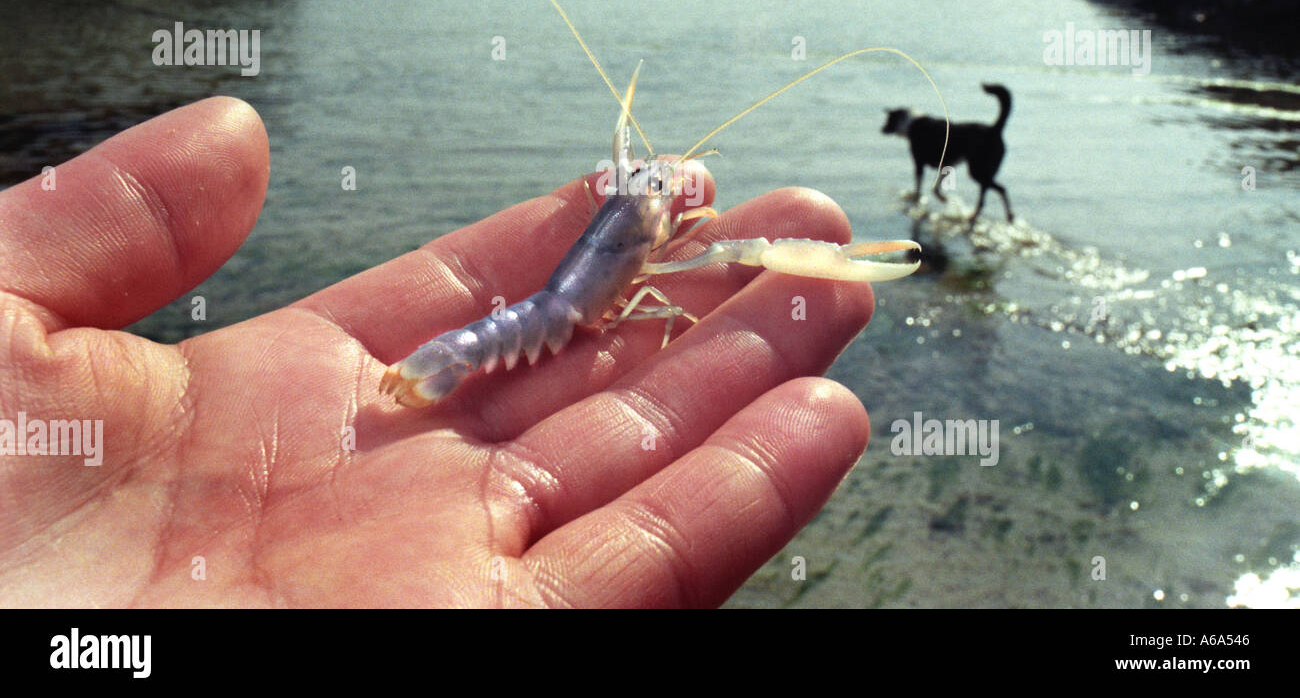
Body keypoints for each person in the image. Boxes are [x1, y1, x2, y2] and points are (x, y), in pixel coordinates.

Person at [0, 97, 875, 607]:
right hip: (545, 321)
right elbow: (668, 274)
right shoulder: (646, 250)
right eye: (641, 187)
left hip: (539, 314)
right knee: (725, 262)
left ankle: (430, 369)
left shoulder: (626, 217)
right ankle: (429, 373)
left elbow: (625, 230)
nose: (650, 190)